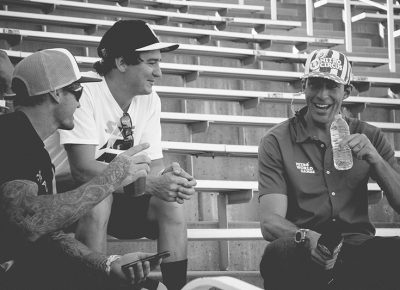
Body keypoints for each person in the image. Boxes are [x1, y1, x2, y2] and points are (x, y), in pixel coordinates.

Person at [48, 20, 197, 290]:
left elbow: (153, 167)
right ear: (121, 63)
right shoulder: (85, 96)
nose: (159, 72)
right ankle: (94, 285)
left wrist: (170, 180)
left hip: (121, 196)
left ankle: (176, 288)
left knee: (171, 202)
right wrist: (151, 183)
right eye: (151, 63)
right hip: (66, 202)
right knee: (99, 195)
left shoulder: (150, 99)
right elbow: (82, 170)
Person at [0, 48, 163, 290]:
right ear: (55, 93)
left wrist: (108, 264)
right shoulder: (10, 133)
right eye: (77, 91)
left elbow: (48, 235)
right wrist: (111, 178)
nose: (80, 102)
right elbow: (27, 220)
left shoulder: (36, 149)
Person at [258, 48, 400, 290]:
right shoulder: (277, 140)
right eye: (314, 84)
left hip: (357, 248)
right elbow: (270, 222)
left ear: (347, 91)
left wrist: (376, 160)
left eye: (332, 86)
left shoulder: (370, 136)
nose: (321, 95)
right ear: (304, 86)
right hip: (305, 248)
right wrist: (306, 237)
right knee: (277, 253)